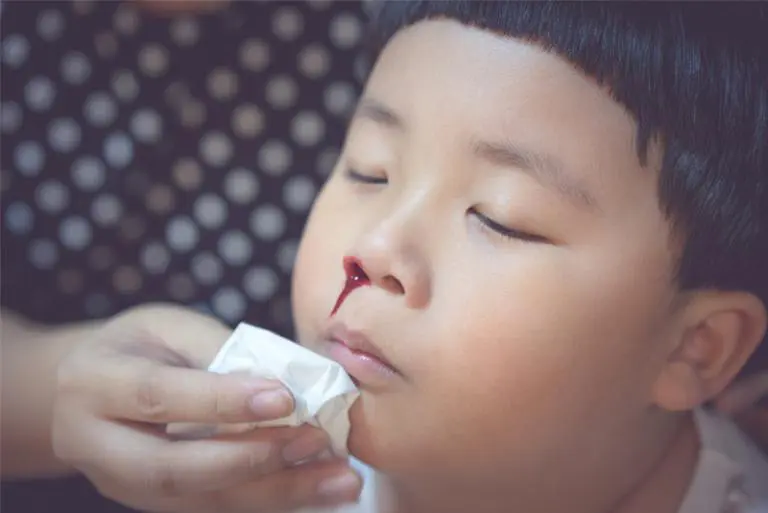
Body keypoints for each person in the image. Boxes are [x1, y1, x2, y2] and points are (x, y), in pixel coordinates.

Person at [2, 2, 768, 512]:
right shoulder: (258, 476)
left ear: (695, 346)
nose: (369, 250)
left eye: (500, 219)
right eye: (368, 170)